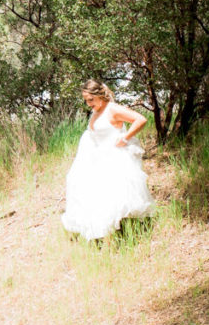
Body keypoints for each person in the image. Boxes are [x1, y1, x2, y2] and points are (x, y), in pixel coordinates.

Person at [62, 80, 155, 240]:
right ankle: (101, 232)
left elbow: (140, 119)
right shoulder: (97, 111)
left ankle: (114, 236)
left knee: (111, 195)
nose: (88, 103)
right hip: (98, 157)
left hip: (113, 157)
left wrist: (125, 138)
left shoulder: (113, 109)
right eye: (86, 100)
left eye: (90, 99)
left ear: (99, 95)